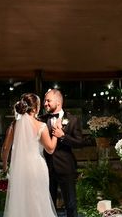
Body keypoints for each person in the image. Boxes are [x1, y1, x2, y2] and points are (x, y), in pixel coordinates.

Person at [3, 93, 59, 217]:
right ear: (35, 108)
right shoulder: (41, 126)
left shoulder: (14, 125)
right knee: (38, 200)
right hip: (37, 167)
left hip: (19, 168)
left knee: (21, 200)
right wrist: (56, 133)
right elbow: (50, 149)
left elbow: (5, 148)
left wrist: (5, 166)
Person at [42, 89, 84, 217]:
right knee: (48, 204)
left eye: (48, 100)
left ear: (58, 102)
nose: (45, 103)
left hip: (66, 167)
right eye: (44, 101)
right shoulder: (41, 120)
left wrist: (63, 136)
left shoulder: (73, 119)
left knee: (70, 204)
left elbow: (80, 143)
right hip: (46, 168)